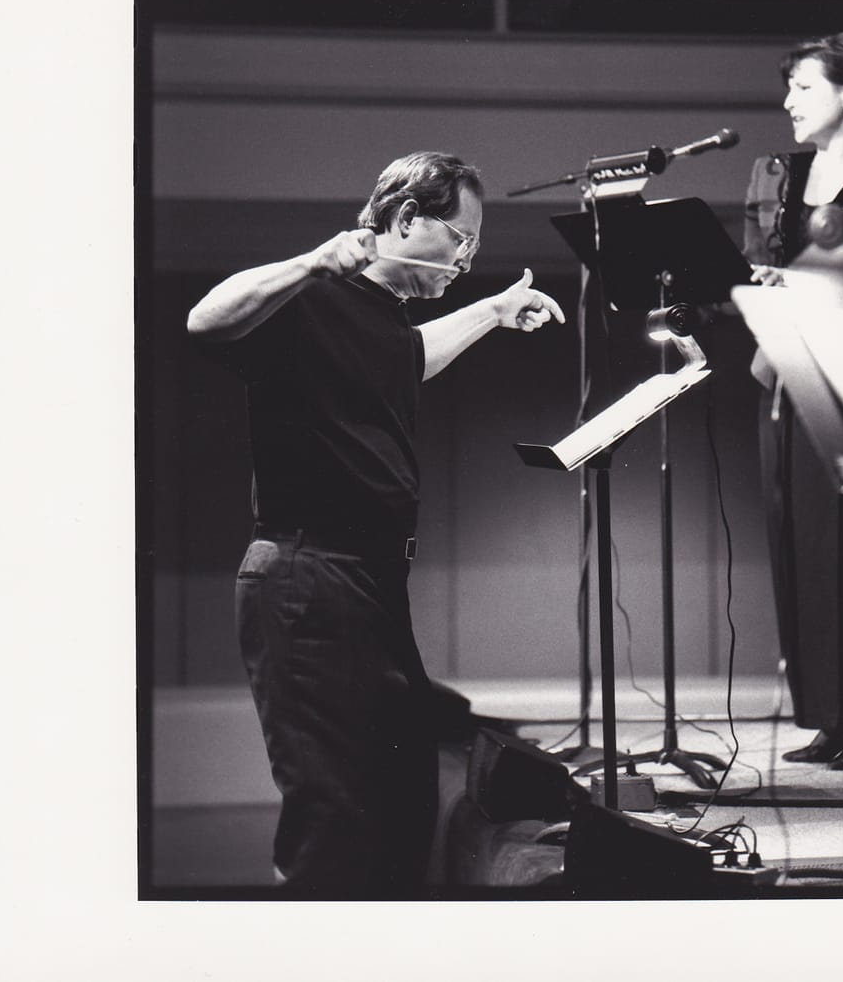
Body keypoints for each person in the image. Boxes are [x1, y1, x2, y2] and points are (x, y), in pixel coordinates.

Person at [187, 151, 565, 897]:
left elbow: (411, 359)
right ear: (402, 220)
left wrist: (491, 310)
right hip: (307, 580)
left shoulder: (382, 321)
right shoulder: (313, 297)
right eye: (459, 238)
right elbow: (205, 320)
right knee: (333, 817)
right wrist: (310, 260)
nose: (466, 257)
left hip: (368, 585)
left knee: (401, 804)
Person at [742, 32, 843, 768]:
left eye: (805, 88)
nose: (788, 102)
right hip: (784, 369)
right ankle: (829, 717)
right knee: (796, 546)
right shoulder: (785, 176)